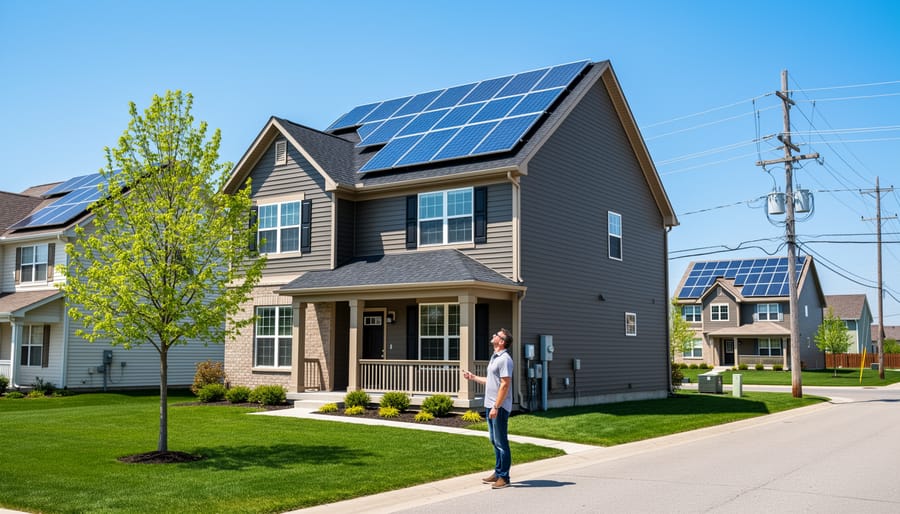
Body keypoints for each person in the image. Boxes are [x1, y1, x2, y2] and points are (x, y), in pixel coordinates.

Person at [462, 328, 513, 489]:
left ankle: (504, 477)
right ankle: (498, 472)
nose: (493, 336)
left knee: (501, 442)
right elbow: (492, 381)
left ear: (502, 341)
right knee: (494, 440)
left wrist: (496, 406)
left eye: (496, 335)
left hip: (499, 407)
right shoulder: (495, 357)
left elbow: (505, 384)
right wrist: (473, 377)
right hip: (490, 404)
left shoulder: (505, 359)